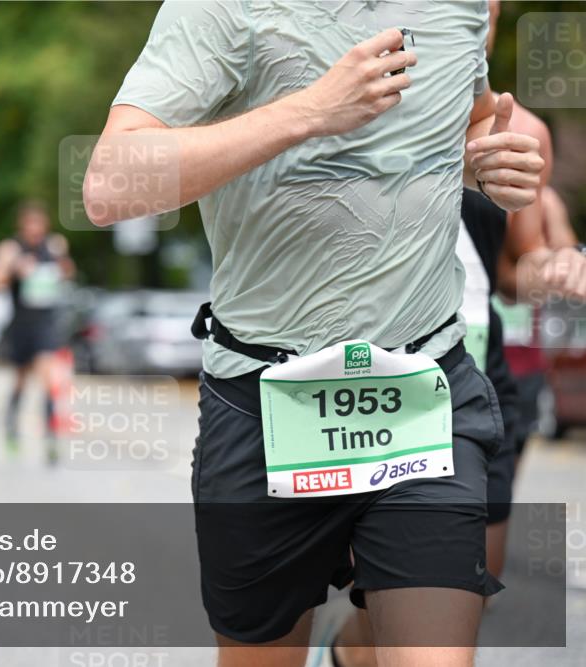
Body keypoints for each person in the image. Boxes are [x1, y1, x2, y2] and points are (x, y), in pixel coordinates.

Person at [85, 3, 544, 665]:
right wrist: (309, 111)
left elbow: (463, 123)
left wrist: (484, 163)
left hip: (423, 390)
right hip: (265, 399)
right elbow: (109, 184)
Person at [0, 202, 75, 464]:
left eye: (39, 224)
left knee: (48, 378)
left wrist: (62, 269)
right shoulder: (10, 249)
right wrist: (14, 270)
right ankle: (12, 426)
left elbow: (68, 272)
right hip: (20, 325)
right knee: (21, 380)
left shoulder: (55, 245)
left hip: (45, 325)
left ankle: (50, 437)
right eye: (29, 224)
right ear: (21, 226)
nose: (35, 230)